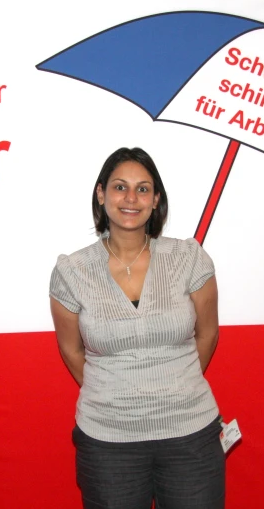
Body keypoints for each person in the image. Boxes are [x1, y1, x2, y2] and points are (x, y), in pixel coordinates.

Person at [49, 147, 225, 509]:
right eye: (120, 187)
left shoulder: (189, 258)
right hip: (108, 443)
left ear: (156, 199)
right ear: (101, 195)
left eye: (143, 189)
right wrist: (116, 393)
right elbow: (71, 350)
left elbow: (208, 334)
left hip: (190, 436)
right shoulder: (72, 271)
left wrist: (175, 387)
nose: (131, 198)